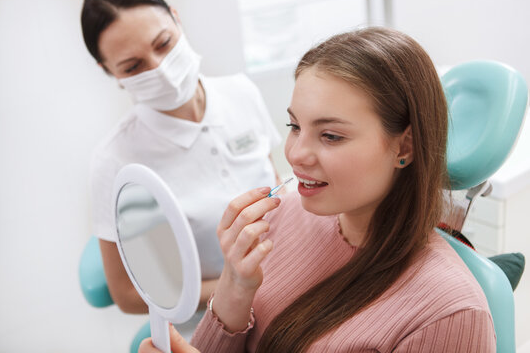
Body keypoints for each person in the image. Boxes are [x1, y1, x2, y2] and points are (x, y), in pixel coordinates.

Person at [184, 27, 495, 351]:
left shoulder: (450, 314)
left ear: (405, 147)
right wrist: (233, 287)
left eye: (330, 136)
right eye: (295, 127)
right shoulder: (279, 218)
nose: (295, 154)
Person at [80, 0, 281, 313]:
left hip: (288, 276)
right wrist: (238, 285)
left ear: (176, 18)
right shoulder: (115, 160)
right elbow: (129, 294)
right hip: (209, 313)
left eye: (163, 44)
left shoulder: (241, 92)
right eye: (133, 66)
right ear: (110, 71)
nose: (161, 70)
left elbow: (275, 188)